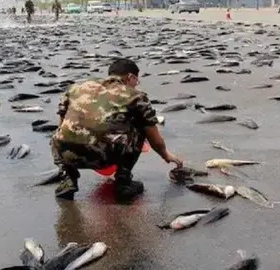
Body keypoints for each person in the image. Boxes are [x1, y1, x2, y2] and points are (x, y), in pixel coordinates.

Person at [50, 58, 183, 202]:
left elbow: (62, 125)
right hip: (103, 155)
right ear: (130, 77)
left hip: (65, 154)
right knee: (140, 127)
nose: (136, 85)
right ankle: (123, 182)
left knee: (61, 134)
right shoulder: (136, 96)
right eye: (136, 81)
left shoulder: (75, 88)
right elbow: (154, 139)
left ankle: (68, 179)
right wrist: (166, 155)